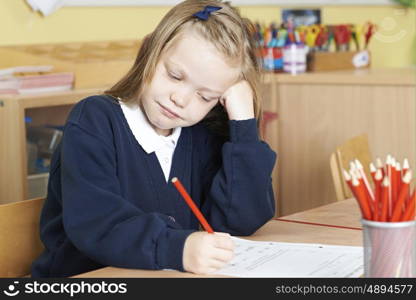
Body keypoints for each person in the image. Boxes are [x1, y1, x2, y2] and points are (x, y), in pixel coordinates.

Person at [31, 0, 276, 278]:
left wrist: (243, 125)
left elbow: (241, 221)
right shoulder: (94, 120)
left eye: (205, 96)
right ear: (149, 51)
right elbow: (96, 222)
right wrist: (177, 248)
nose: (181, 99)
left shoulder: (199, 134)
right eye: (174, 75)